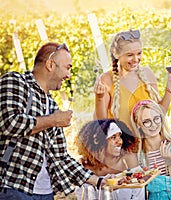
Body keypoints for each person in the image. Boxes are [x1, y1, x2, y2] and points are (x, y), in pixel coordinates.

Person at [0, 42, 102, 199]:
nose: (68, 75)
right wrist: (53, 120)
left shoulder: (52, 104)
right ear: (50, 64)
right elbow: (10, 123)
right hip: (14, 189)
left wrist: (101, 182)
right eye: (67, 67)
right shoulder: (16, 82)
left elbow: (60, 158)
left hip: (46, 193)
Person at [93, 29, 171, 131]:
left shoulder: (147, 74)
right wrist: (99, 97)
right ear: (116, 54)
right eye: (130, 55)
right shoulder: (107, 80)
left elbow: (160, 114)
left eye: (139, 53)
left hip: (149, 142)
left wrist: (169, 90)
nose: (136, 59)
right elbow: (102, 122)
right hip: (124, 144)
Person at [130, 99, 171, 200]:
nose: (153, 124)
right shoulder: (138, 154)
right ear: (138, 124)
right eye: (146, 121)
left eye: (156, 119)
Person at [74, 119, 145, 200]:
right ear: (98, 141)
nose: (120, 142)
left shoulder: (128, 159)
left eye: (120, 136)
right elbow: (82, 196)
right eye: (113, 137)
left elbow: (139, 195)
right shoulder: (84, 165)